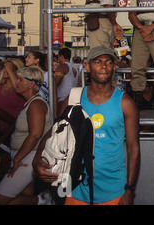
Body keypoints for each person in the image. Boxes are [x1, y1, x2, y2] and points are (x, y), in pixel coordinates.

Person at [33, 45, 140, 205]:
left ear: (114, 67)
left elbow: (133, 148)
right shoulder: (74, 97)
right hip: (74, 186)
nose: (104, 66)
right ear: (88, 67)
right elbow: (52, 133)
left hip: (113, 189)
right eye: (98, 61)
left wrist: (130, 189)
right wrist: (37, 160)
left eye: (109, 62)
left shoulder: (125, 102)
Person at [0, 67, 52, 205]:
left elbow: (35, 135)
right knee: (23, 198)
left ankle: (44, 200)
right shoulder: (30, 102)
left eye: (20, 79)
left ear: (31, 84)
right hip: (23, 156)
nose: (16, 82)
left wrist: (18, 158)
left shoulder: (36, 104)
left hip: (27, 158)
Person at [0, 58, 25, 182]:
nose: (6, 70)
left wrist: (12, 71)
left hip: (11, 133)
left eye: (10, 68)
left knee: (4, 170)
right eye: (5, 68)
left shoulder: (19, 90)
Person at [54, 48, 79, 116]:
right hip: (73, 99)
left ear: (61, 56)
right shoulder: (74, 68)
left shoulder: (62, 67)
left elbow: (56, 82)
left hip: (63, 100)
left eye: (58, 56)